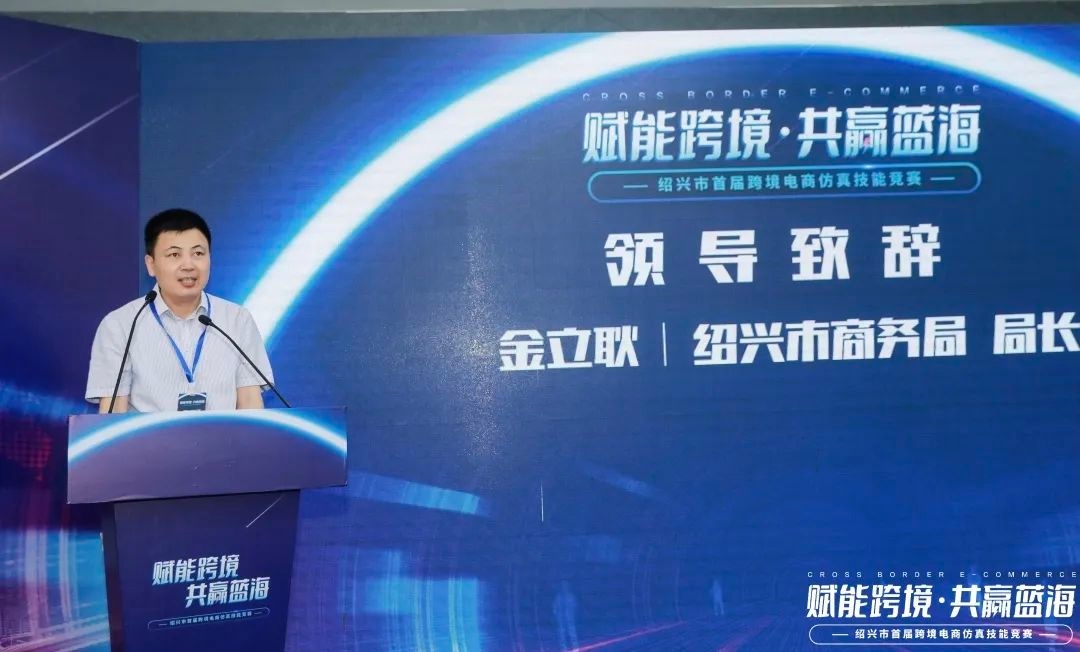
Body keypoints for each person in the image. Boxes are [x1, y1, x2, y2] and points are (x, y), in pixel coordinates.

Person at [85, 208, 273, 412]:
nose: (188, 265)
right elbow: (113, 415)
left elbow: (250, 405)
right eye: (174, 254)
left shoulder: (237, 319)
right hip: (151, 435)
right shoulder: (120, 325)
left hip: (221, 435)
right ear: (151, 264)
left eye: (198, 253)